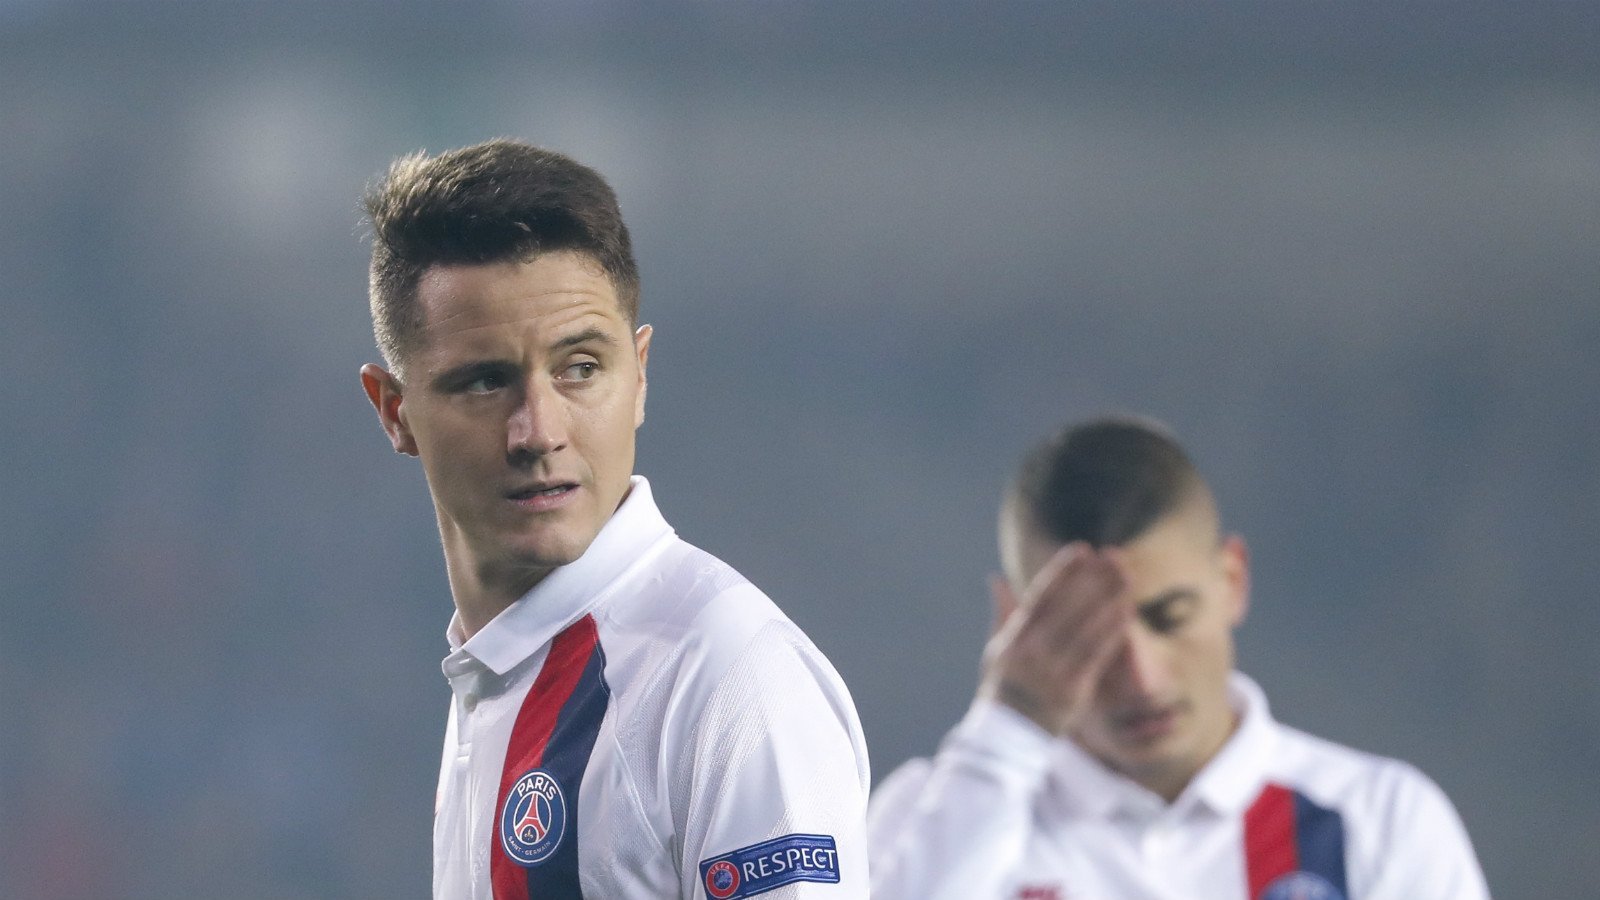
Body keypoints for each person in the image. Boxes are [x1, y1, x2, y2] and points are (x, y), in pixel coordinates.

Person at [359, 139, 869, 900]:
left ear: (640, 376)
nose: (538, 432)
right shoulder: (496, 670)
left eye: (580, 368)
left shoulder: (727, 679)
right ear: (395, 412)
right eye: (485, 382)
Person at [867, 416, 1489, 900]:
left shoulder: (1379, 821)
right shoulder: (930, 815)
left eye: (1170, 617)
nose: (1141, 677)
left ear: (1233, 580)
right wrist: (1010, 721)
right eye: (1087, 634)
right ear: (1013, 623)